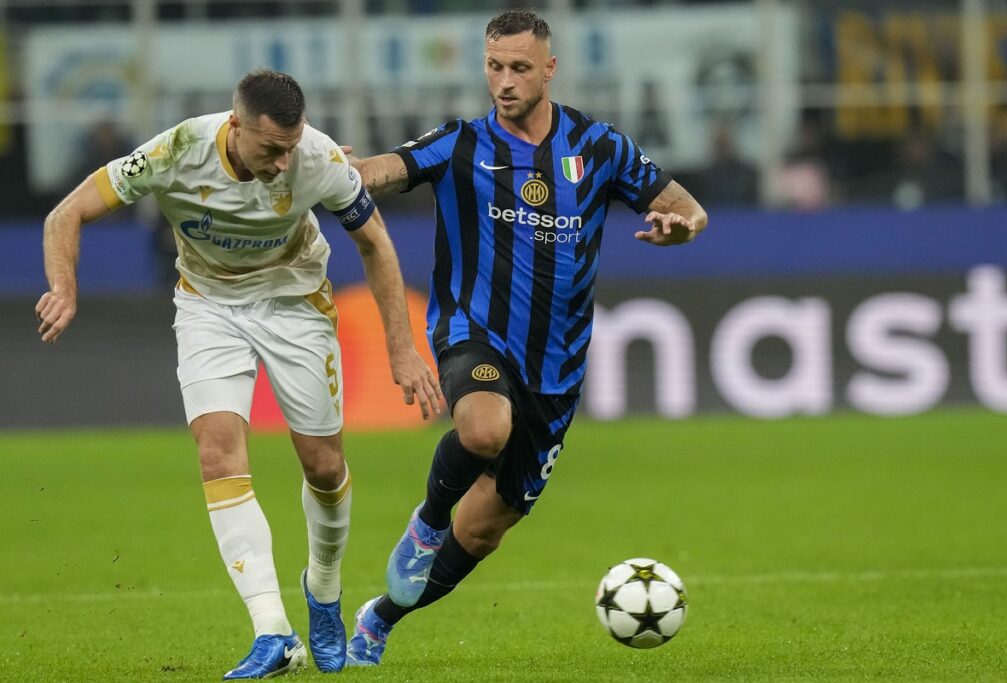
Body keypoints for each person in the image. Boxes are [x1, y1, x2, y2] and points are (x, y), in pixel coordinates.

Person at [35, 70, 442, 679]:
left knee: (324, 467)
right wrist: (64, 287)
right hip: (207, 306)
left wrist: (403, 349)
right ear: (234, 126)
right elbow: (66, 214)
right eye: (270, 149)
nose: (283, 163)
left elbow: (377, 245)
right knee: (217, 454)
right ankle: (272, 632)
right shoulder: (174, 152)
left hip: (296, 303)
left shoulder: (316, 158)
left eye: (291, 147)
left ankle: (323, 591)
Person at [342, 9, 707, 666]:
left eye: (517, 68)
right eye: (493, 67)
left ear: (549, 68)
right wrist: (340, 170)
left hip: (556, 371)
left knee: (483, 529)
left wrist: (684, 226)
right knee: (483, 429)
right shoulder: (461, 143)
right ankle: (425, 524)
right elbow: (385, 169)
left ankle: (381, 616)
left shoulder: (597, 147)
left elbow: (687, 207)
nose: (503, 82)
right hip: (473, 332)